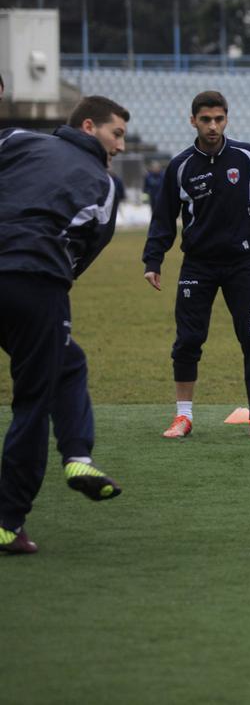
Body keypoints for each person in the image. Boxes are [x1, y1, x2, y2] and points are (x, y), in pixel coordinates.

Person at [1, 95, 130, 555]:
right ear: (90, 126)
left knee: (68, 363)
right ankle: (7, 522)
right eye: (117, 134)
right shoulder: (102, 182)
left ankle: (78, 455)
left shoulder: (16, 140)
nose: (120, 147)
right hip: (34, 282)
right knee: (34, 401)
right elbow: (82, 254)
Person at [143, 91, 250, 440]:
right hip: (198, 265)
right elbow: (163, 217)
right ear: (193, 121)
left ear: (227, 119)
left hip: (243, 264)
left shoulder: (247, 156)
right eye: (206, 119)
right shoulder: (180, 166)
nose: (213, 126)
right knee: (188, 340)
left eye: (219, 119)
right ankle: (183, 416)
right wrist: (154, 259)